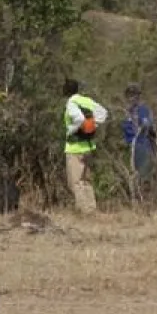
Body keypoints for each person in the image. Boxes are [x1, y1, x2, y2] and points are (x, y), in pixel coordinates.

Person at [63, 80, 106, 214]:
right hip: (88, 147)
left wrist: (72, 130)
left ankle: (84, 212)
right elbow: (103, 113)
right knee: (86, 180)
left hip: (74, 148)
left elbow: (79, 119)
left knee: (75, 182)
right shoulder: (86, 101)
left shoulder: (71, 103)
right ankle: (91, 209)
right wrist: (93, 125)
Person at [121, 84, 156, 182]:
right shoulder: (128, 112)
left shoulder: (143, 109)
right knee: (134, 173)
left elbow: (147, 125)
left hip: (143, 145)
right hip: (132, 146)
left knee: (143, 174)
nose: (131, 98)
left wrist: (144, 126)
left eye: (133, 95)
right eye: (129, 96)